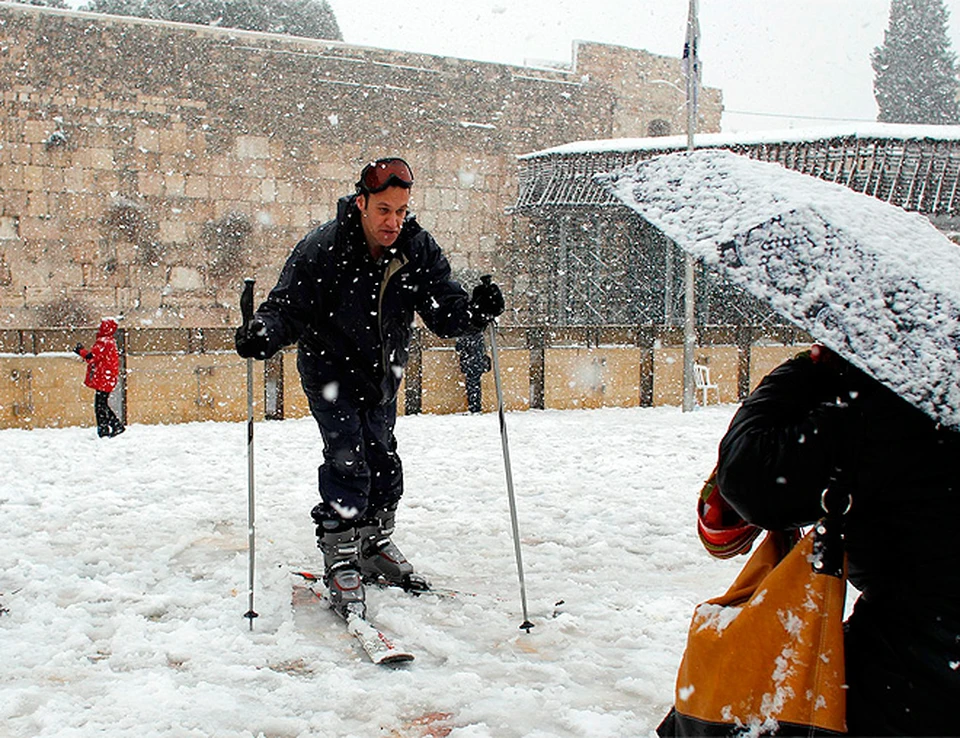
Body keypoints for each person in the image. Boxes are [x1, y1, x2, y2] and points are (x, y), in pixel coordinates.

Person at [234, 157, 505, 620]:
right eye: (383, 210)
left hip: (382, 374)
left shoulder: (415, 248)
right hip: (330, 372)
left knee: (382, 458)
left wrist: (475, 313)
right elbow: (288, 307)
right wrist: (264, 331)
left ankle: (374, 542)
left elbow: (443, 309)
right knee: (347, 460)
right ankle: (341, 552)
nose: (393, 221)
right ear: (360, 203)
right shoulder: (323, 247)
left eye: (400, 211)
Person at [714, 344, 960, 736]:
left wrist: (806, 367)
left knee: (734, 705)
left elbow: (749, 477)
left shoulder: (912, 382)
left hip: (915, 671)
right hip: (927, 651)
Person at [75, 317, 125, 438]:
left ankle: (107, 429)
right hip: (108, 377)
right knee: (102, 404)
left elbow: (92, 357)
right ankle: (113, 426)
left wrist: (80, 351)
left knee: (100, 406)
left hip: (103, 378)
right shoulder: (111, 341)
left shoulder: (103, 341)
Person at [455, 331, 490, 413]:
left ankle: (474, 408)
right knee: (476, 385)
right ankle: (476, 406)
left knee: (471, 386)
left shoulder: (464, 333)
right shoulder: (478, 333)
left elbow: (459, 347)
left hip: (470, 364)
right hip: (477, 363)